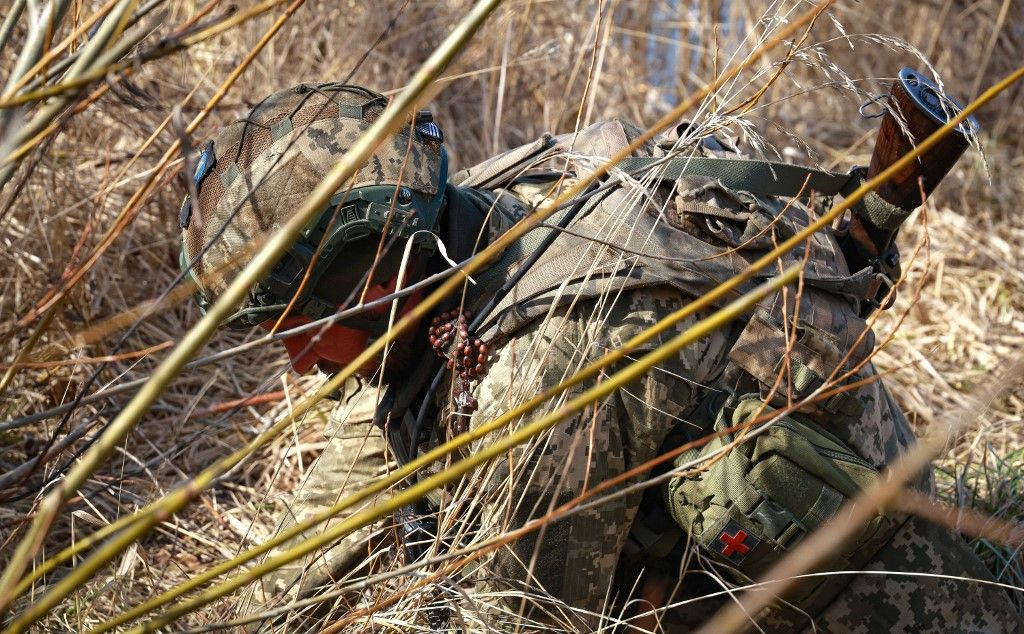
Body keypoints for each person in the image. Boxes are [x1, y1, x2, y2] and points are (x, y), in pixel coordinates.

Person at [179, 82, 1020, 632]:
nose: (294, 363)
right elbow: (338, 505)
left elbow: (516, 617)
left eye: (300, 327)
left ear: (377, 283)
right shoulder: (467, 225)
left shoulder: (548, 375)